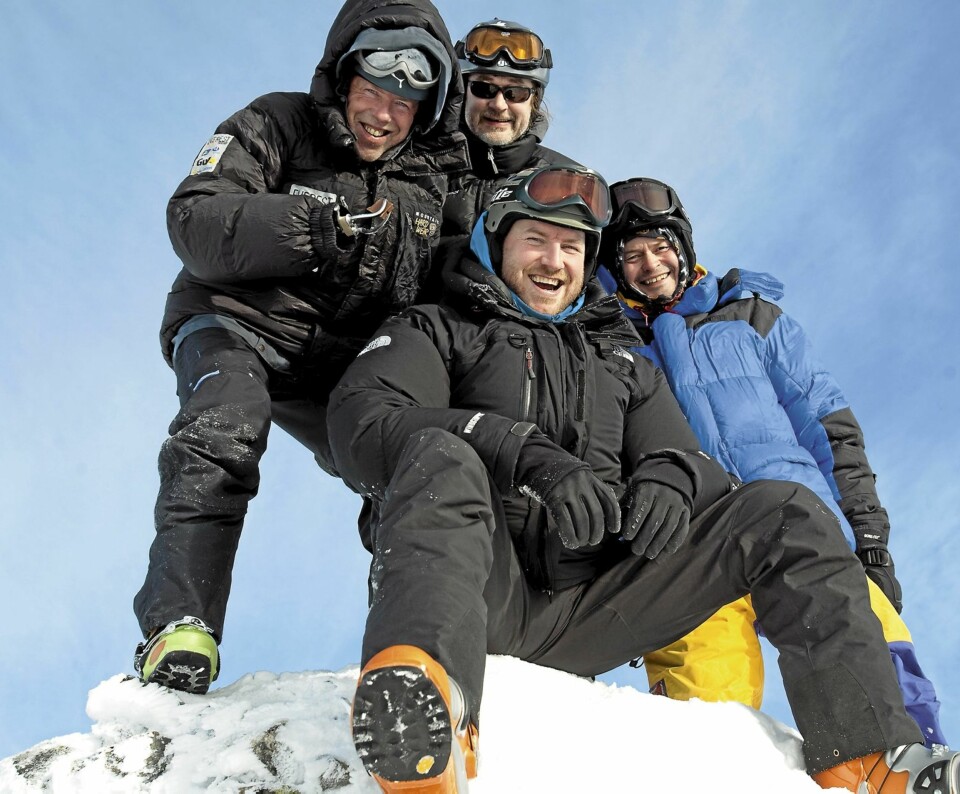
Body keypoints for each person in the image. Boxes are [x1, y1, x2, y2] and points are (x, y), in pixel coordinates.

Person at [326, 164, 959, 793]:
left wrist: (670, 482)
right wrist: (519, 450)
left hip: (597, 606)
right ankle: (425, 719)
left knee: (783, 511)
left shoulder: (622, 362)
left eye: (572, 247)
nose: (554, 261)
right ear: (495, 242)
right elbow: (362, 422)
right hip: (480, 593)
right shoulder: (434, 328)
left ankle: (864, 759)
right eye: (536, 240)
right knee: (441, 453)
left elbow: (686, 458)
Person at [131, 0, 470, 694]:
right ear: (343, 79)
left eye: (404, 103)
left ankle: (418, 649)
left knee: (414, 462)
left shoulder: (432, 183)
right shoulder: (276, 121)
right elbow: (194, 217)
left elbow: (461, 281)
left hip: (338, 362)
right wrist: (309, 226)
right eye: (372, 91)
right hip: (235, 321)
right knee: (226, 422)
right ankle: (180, 626)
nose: (383, 114)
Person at [596, 176, 948, 748]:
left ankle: (908, 770)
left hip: (802, 526)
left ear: (683, 247)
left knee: (881, 678)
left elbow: (828, 427)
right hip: (693, 541)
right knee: (703, 708)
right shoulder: (609, 343)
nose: (650, 265)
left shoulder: (751, 318)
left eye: (660, 247)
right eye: (632, 256)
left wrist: (867, 534)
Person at [441, 18, 576, 238]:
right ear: (462, 93)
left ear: (534, 102)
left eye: (516, 93)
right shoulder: (418, 166)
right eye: (484, 88)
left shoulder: (566, 183)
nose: (499, 105)